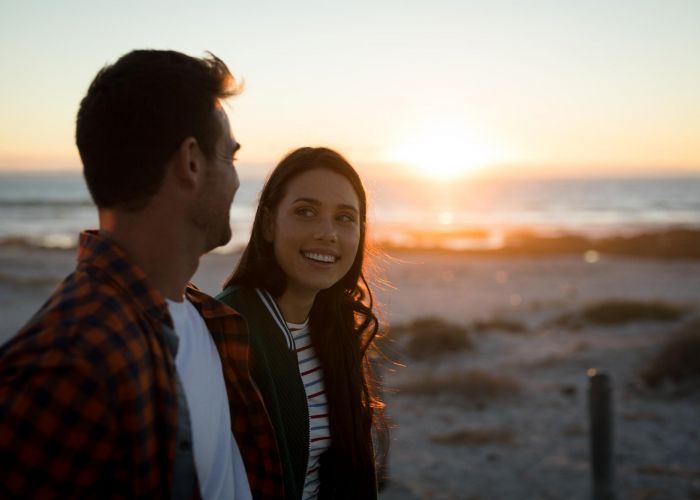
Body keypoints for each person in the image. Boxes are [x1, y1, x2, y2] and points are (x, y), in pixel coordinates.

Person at [0, 50, 283, 499]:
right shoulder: (73, 360)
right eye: (230, 157)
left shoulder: (209, 322)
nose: (236, 181)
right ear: (191, 162)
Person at [218, 147, 386, 499]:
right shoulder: (227, 330)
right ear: (267, 224)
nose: (328, 233)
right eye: (306, 212)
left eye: (345, 218)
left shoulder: (335, 329)